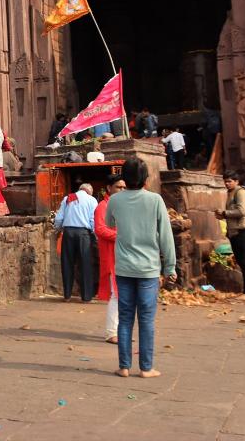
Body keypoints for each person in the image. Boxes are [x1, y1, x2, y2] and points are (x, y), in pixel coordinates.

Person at [106, 156, 176, 378]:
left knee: (125, 318)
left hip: (124, 268)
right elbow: (166, 237)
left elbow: (109, 224)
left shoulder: (115, 200)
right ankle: (146, 367)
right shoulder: (155, 200)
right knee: (146, 319)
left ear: (124, 179)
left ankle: (124, 366)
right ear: (146, 179)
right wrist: (170, 268)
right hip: (148, 269)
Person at [54, 182, 98, 302]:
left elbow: (58, 218)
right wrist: (95, 235)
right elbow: (93, 219)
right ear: (89, 191)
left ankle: (67, 295)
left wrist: (58, 229)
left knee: (67, 263)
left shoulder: (68, 198)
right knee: (85, 264)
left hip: (68, 232)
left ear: (80, 189)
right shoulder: (92, 200)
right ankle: (86, 297)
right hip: (84, 234)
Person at [96, 173, 126, 343]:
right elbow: (100, 229)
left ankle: (120, 330)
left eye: (124, 187)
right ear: (109, 188)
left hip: (123, 255)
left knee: (124, 294)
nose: (122, 190)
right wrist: (122, 235)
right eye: (118, 187)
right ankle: (111, 332)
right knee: (116, 294)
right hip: (111, 255)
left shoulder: (122, 206)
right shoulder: (103, 206)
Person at [215, 172, 245, 298]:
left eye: (229, 181)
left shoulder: (240, 192)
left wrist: (225, 213)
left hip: (241, 230)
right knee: (241, 262)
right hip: (234, 231)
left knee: (244, 262)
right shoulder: (230, 193)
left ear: (237, 181)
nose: (227, 184)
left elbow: (242, 211)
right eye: (225, 181)